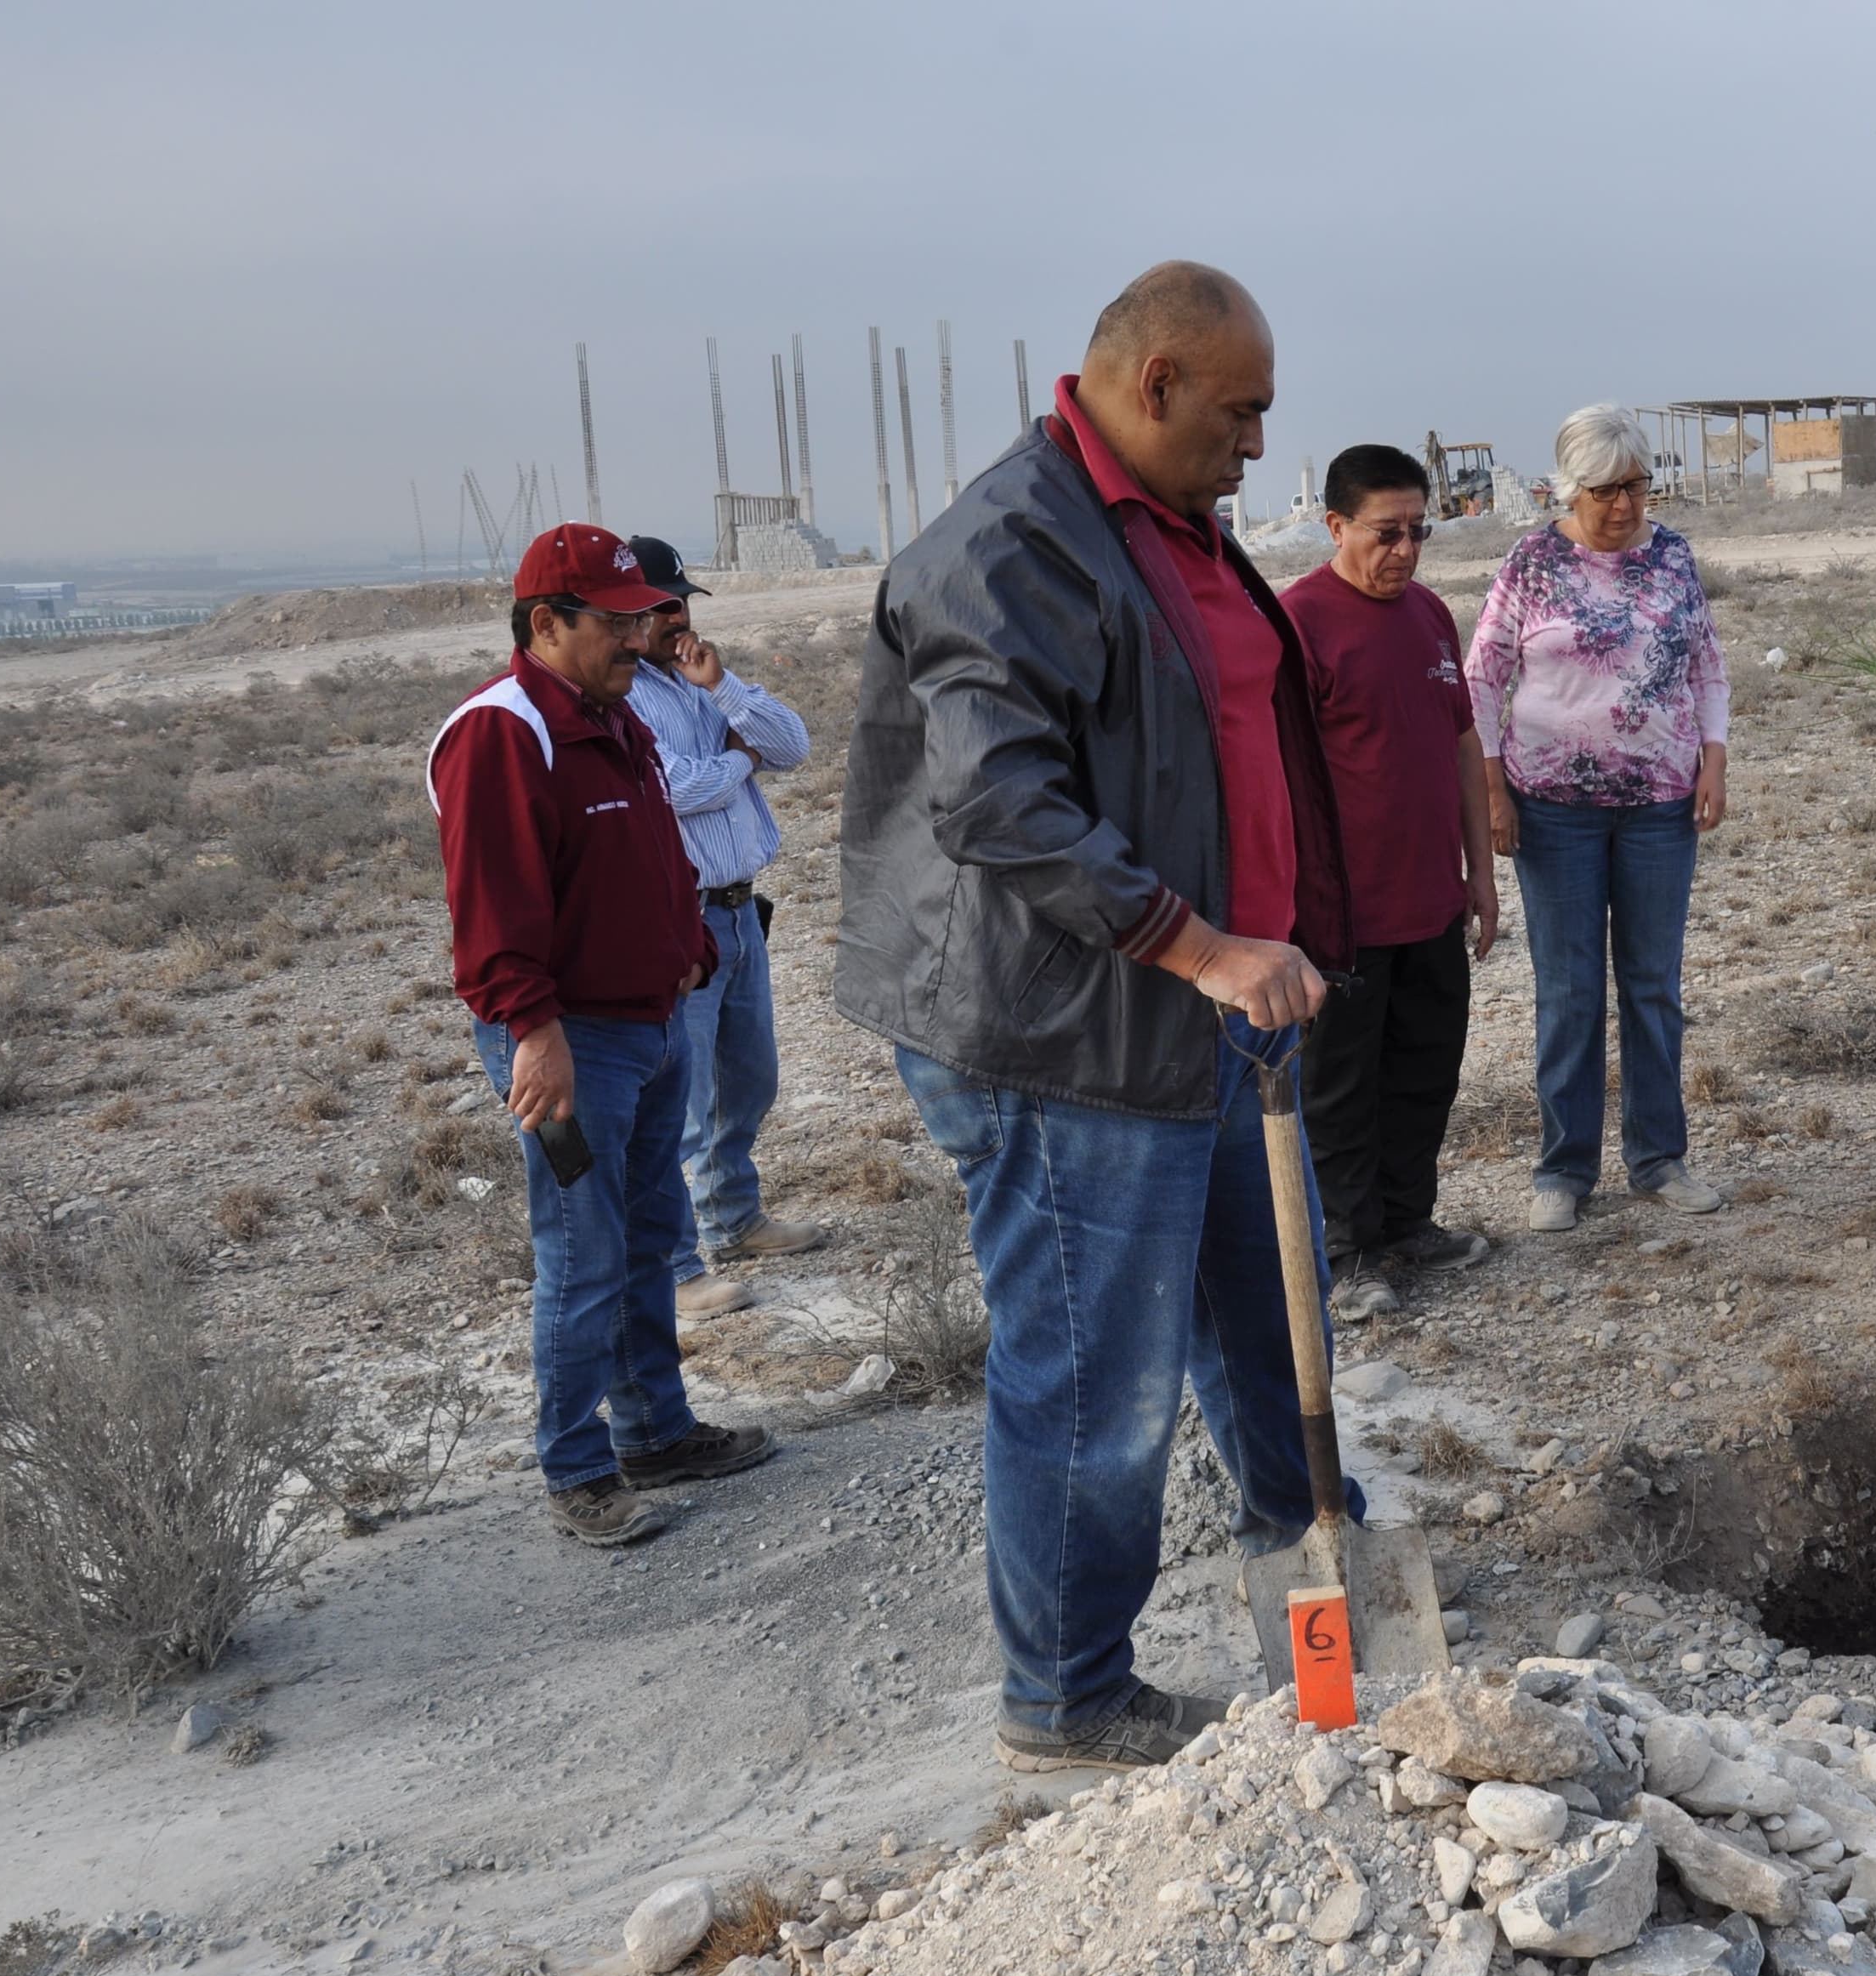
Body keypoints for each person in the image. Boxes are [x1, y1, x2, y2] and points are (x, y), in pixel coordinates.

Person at [834, 261, 1366, 1774]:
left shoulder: (1168, 525)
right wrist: (1196, 945)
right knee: (1093, 1374)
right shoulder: (1009, 548)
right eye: (1245, 414)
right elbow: (999, 797)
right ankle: (1066, 1701)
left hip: (1204, 1011)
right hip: (1066, 1031)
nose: (1262, 447)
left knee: (1272, 1315)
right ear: (1157, 387)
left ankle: (1320, 1572)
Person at [428, 524, 777, 1547]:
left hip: (651, 1022)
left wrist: (690, 956)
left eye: (644, 619)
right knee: (582, 1252)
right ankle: (578, 1468)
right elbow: (493, 912)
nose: (643, 638)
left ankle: (656, 1433)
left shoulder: (608, 713)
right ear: (547, 623)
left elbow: (653, 856)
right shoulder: (503, 732)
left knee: (648, 1236)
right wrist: (535, 1035)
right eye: (619, 623)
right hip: (569, 1043)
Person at [1466, 403, 1731, 1230]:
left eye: (1636, 487)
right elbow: (1481, 678)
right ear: (1570, 490)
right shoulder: (1533, 562)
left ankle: (1658, 1157)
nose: (1625, 505)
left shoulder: (1673, 557)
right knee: (1571, 992)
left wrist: (1713, 760)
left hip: (1658, 807)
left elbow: (1708, 667)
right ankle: (1563, 1171)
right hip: (1553, 814)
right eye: (1607, 490)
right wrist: (1493, 790)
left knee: (1652, 987)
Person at [1281, 445, 1501, 1324]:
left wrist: (1479, 869)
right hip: (1340, 916)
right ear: (1335, 526)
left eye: (1418, 532)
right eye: (1386, 534)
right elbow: (1275, 771)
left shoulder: (1428, 617)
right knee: (1341, 1087)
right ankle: (1348, 1251)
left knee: (1424, 1069)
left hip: (1430, 901)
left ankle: (1409, 1224)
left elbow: (1459, 743)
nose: (1404, 551)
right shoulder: (1298, 621)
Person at [620, 537, 826, 1323]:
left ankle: (734, 1216)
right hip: (683, 916)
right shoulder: (624, 695)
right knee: (678, 1095)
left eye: (680, 602)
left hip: (741, 910)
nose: (676, 616)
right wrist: (740, 763)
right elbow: (677, 789)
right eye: (660, 604)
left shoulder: (700, 678)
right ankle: (675, 1268)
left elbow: (795, 745)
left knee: (749, 1077)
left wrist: (728, 690)